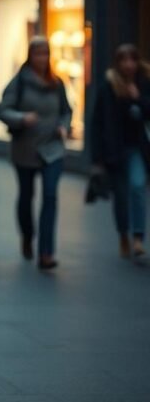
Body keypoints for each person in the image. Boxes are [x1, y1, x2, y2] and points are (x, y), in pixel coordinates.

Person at [0, 36, 72, 271]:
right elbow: (3, 110)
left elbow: (66, 111)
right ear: (30, 56)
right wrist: (22, 118)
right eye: (38, 53)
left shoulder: (56, 83)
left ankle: (46, 252)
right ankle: (28, 236)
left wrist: (64, 125)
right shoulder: (19, 82)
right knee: (26, 195)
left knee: (50, 196)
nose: (42, 58)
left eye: (46, 54)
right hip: (26, 148)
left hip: (52, 148)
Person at [90, 43, 150, 258]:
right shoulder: (108, 87)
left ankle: (138, 237)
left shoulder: (144, 83)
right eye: (124, 60)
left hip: (137, 148)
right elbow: (97, 121)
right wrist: (97, 156)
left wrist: (138, 99)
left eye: (132, 59)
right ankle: (123, 233)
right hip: (114, 149)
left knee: (137, 186)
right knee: (121, 196)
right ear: (117, 63)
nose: (128, 65)